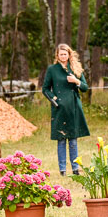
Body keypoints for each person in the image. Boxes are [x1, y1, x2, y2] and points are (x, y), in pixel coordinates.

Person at [42, 43, 90, 176]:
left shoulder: (75, 68)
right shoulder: (52, 69)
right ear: (57, 55)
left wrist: (76, 81)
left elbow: (85, 87)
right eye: (61, 54)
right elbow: (45, 89)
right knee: (61, 139)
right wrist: (54, 99)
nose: (63, 56)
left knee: (73, 140)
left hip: (74, 108)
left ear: (69, 54)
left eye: (65, 54)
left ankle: (75, 169)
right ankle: (62, 170)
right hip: (59, 109)